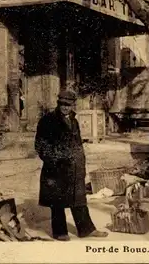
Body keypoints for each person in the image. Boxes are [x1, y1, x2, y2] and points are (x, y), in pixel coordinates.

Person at [35, 90, 108, 241]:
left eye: (68, 105)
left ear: (72, 105)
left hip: (74, 167)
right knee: (57, 202)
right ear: (58, 103)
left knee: (79, 199)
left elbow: (78, 144)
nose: (65, 108)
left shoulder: (73, 120)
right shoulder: (47, 120)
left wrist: (81, 164)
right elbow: (41, 145)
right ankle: (60, 232)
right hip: (56, 168)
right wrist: (55, 160)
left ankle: (86, 229)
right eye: (62, 104)